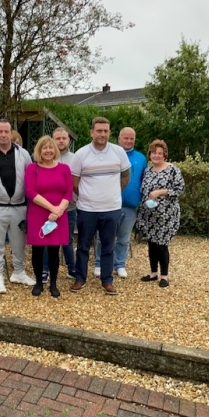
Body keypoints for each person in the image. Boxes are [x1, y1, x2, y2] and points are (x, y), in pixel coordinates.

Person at [70, 117, 131, 295]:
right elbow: (74, 183)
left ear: (109, 133)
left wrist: (113, 191)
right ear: (92, 132)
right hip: (87, 209)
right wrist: (87, 197)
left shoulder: (118, 152)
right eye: (99, 131)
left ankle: (107, 280)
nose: (102, 134)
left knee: (108, 246)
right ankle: (80, 278)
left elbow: (126, 176)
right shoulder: (81, 154)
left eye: (105, 131)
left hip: (112, 209)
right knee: (83, 246)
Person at [0, 118, 35, 293]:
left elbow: (30, 177)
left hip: (19, 207)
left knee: (19, 242)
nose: (3, 134)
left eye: (6, 131)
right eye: (0, 131)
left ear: (11, 133)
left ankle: (18, 272)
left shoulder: (23, 153)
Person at [94, 127, 147, 278]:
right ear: (119, 138)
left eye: (132, 138)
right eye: (126, 138)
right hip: (108, 204)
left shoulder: (141, 158)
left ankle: (120, 264)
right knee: (103, 236)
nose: (129, 141)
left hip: (130, 205)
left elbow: (144, 180)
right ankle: (99, 263)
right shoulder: (110, 154)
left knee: (124, 238)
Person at [25, 135, 73, 297]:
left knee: (54, 251)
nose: (48, 150)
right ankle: (39, 282)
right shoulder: (32, 168)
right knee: (37, 250)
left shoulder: (64, 169)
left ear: (55, 150)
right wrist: (53, 208)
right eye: (44, 148)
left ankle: (53, 284)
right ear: (39, 150)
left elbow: (68, 192)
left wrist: (59, 210)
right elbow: (30, 192)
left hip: (59, 215)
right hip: (38, 214)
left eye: (51, 147)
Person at [136, 139, 185, 288]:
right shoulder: (148, 171)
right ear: (150, 154)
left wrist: (161, 192)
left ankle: (164, 276)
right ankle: (153, 273)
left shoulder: (172, 170)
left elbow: (180, 189)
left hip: (166, 215)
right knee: (151, 243)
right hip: (149, 215)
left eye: (159, 153)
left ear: (164, 155)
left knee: (162, 245)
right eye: (153, 153)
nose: (156, 156)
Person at [42, 127, 77, 283]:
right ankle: (44, 269)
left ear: (68, 140)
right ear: (53, 140)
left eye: (64, 138)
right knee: (46, 239)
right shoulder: (43, 159)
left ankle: (71, 268)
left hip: (69, 208)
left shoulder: (75, 159)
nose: (61, 141)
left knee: (67, 239)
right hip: (46, 209)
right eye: (58, 138)